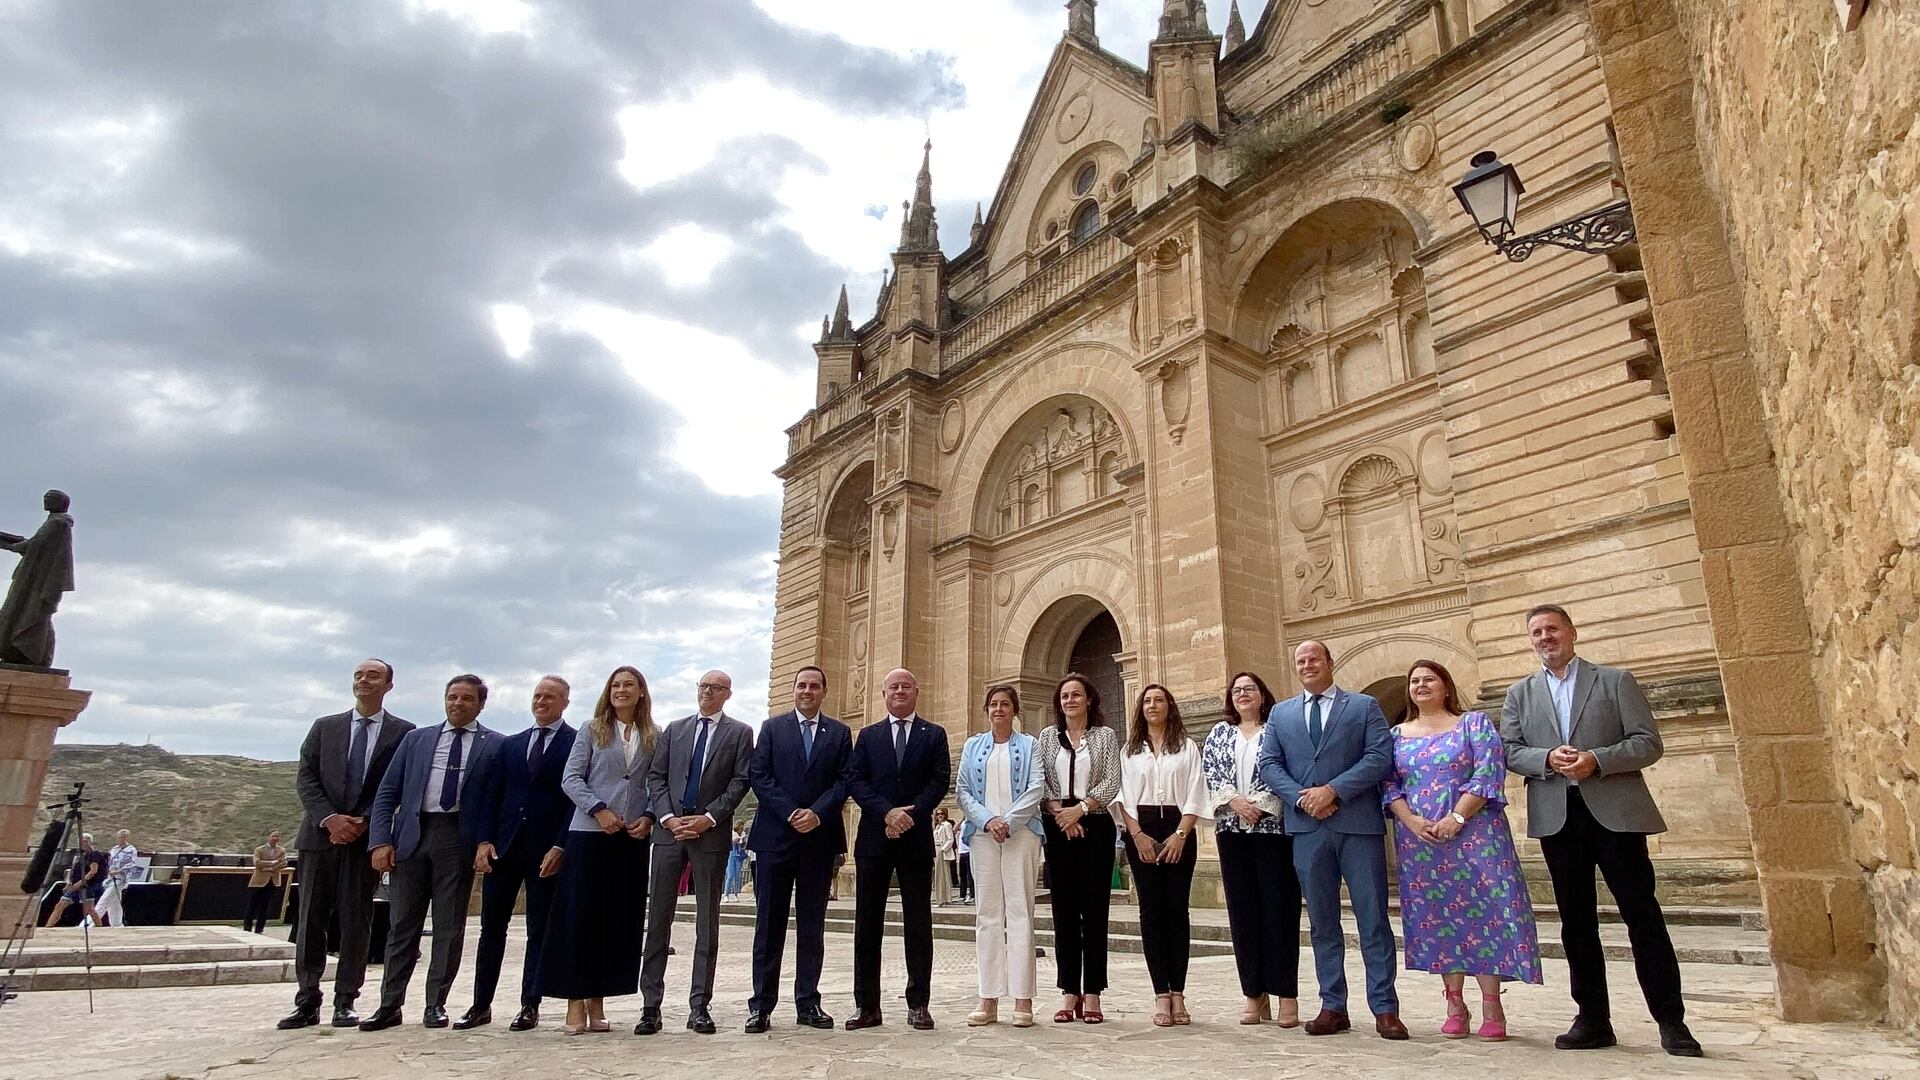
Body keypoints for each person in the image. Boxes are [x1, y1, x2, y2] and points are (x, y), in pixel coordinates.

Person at [1501, 604, 1702, 1057]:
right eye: (1537, 632)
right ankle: (1592, 1019)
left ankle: (1671, 1021)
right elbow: (1510, 751)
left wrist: (1597, 760)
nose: (1545, 637)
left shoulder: (1615, 680)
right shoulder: (1520, 693)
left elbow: (1648, 743)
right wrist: (1546, 758)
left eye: (1553, 629)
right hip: (1558, 817)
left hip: (1616, 814)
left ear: (1572, 632)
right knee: (1576, 923)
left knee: (1642, 916)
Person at [1384, 660, 1542, 1040]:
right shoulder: (1395, 736)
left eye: (1429, 679)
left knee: (1486, 913)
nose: (1421, 685)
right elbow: (1388, 785)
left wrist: (1457, 816)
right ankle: (1454, 1003)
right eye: (1415, 681)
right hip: (1422, 843)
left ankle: (1492, 1004)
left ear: (1446, 686)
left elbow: (1489, 772)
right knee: (1438, 917)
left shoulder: (1473, 724)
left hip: (1477, 837)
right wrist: (1410, 821)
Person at [1258, 641, 1404, 1040]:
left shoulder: (1363, 706)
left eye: (1314, 659)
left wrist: (1333, 791)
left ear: (1329, 663)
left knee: (1373, 918)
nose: (1307, 665)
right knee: (1322, 922)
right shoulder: (1281, 713)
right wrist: (1303, 798)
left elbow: (1379, 757)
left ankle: (1385, 1008)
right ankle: (1332, 1005)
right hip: (1308, 828)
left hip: (1357, 825)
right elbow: (1269, 763)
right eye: (1300, 661)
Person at [279, 659, 414, 1030]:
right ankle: (307, 1000)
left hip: (364, 840)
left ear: (388, 685)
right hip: (319, 838)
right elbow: (306, 777)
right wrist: (330, 819)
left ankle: (346, 1000)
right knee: (310, 919)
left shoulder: (404, 733)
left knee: (356, 920)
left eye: (373, 675)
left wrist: (365, 821)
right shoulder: (325, 727)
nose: (364, 680)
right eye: (359, 675)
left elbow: (398, 783)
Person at [361, 674, 500, 1031]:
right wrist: (380, 840)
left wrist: (485, 841)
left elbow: (496, 800)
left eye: (466, 698)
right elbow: (387, 792)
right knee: (402, 925)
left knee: (448, 928)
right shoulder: (416, 739)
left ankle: (435, 1003)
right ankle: (389, 1004)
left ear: (480, 704)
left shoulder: (495, 745)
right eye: (452, 697)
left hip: (457, 838)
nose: (457, 703)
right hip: (412, 836)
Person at [638, 670, 754, 1036]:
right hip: (669, 832)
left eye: (715, 688)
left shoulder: (740, 733)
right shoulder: (674, 730)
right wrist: (668, 818)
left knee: (707, 923)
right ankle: (650, 1007)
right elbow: (656, 777)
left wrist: (709, 818)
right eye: (703, 686)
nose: (707, 692)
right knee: (658, 920)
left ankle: (700, 1005)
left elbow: (740, 781)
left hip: (710, 834)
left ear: (727, 694)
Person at [459, 675, 577, 1032]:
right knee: (491, 928)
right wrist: (484, 841)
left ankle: (530, 1004)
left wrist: (560, 844)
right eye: (537, 695)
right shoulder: (511, 745)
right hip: (504, 848)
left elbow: (574, 800)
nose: (541, 701)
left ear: (565, 702)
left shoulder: (576, 743)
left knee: (538, 929)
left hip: (545, 851)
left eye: (550, 696)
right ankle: (481, 1004)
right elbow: (492, 795)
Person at [543, 666, 656, 1034]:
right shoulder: (591, 730)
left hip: (630, 838)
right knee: (581, 918)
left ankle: (598, 999)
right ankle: (575, 1000)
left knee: (615, 921)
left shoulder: (653, 735)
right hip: (590, 833)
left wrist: (649, 817)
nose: (621, 690)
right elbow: (571, 778)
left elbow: (656, 783)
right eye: (616, 685)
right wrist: (598, 809)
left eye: (629, 685)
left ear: (641, 691)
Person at [745, 665, 851, 1034]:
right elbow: (759, 776)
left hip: (818, 840)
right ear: (794, 690)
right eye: (802, 685)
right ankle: (761, 1006)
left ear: (824, 691)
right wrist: (791, 812)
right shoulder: (772, 728)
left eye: (814, 686)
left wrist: (816, 813)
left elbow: (844, 781)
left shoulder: (839, 733)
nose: (807, 691)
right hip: (775, 838)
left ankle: (808, 1002)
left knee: (812, 926)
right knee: (768, 926)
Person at [843, 668, 950, 1031]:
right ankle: (867, 1006)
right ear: (884, 694)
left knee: (918, 923)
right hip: (874, 839)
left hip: (915, 839)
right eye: (893, 687)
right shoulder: (868, 735)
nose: (900, 691)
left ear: (916, 691)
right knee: (867, 924)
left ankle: (919, 1004)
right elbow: (856, 780)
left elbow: (939, 780)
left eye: (906, 686)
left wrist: (910, 815)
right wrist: (887, 813)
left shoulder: (934, 734)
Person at [1204, 672, 1301, 1027]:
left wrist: (1259, 804)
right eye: (1237, 690)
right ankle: (1253, 994)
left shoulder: (1278, 729)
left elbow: (1288, 769)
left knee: (1280, 910)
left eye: (1250, 689)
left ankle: (1286, 994)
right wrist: (1235, 801)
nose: (1243, 694)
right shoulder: (1219, 732)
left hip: (1273, 830)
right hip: (1232, 830)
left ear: (1263, 695)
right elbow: (1211, 772)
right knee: (1243, 913)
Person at [1114, 684, 1208, 1027]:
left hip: (1178, 826)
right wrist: (1137, 835)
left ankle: (1179, 992)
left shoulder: (1187, 746)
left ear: (1170, 706)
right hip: (1141, 826)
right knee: (1151, 911)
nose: (1153, 705)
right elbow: (1123, 796)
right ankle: (1161, 995)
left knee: (1177, 911)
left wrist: (1181, 834)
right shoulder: (1129, 751)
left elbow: (1196, 790)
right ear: (1140, 708)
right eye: (1147, 701)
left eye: (1159, 700)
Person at [954, 685, 1043, 1027]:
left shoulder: (1030, 745)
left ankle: (1023, 998)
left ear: (1015, 710)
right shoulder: (972, 746)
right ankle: (987, 997)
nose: (999, 709)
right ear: (986, 710)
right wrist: (988, 820)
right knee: (987, 915)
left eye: (1005, 704)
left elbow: (1036, 786)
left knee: (1021, 913)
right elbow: (963, 790)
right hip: (983, 835)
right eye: (993, 704)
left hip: (1021, 834)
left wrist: (1008, 821)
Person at [1035, 672, 1122, 1025]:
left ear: (1089, 699)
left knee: (1095, 910)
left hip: (1095, 823)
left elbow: (1112, 781)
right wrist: (1061, 813)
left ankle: (1094, 991)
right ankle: (1069, 990)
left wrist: (1081, 809)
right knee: (1064, 911)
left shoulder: (1105, 736)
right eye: (1064, 696)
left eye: (1076, 695)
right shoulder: (1047, 737)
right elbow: (1040, 779)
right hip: (1058, 826)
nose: (1070, 700)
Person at [42, 831, 106, 927]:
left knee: (89, 909)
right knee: (60, 905)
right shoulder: (79, 855)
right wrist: (69, 883)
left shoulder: (93, 854)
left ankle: (99, 927)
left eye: (85, 841)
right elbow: (71, 870)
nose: (83, 843)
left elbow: (93, 871)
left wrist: (79, 883)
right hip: (75, 886)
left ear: (90, 842)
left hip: (86, 886)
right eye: (81, 841)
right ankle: (48, 926)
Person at [245, 830, 288, 933]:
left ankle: (259, 929)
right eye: (273, 836)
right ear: (268, 837)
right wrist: (273, 862)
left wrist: (268, 868)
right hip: (258, 882)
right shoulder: (259, 850)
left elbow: (284, 863)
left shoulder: (282, 850)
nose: (275, 838)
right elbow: (257, 863)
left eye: (277, 836)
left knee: (265, 906)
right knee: (251, 905)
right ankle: (247, 928)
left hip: (272, 881)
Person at [102, 829, 138, 928]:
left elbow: (131, 864)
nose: (121, 839)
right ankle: (117, 924)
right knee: (114, 903)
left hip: (120, 879)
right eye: (120, 837)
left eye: (123, 837)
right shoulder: (114, 849)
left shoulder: (131, 849)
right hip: (110, 878)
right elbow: (108, 862)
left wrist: (118, 871)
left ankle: (88, 923)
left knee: (104, 901)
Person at [932, 809, 957, 906]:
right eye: (938, 814)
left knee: (941, 875)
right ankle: (944, 898)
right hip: (936, 849)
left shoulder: (947, 825)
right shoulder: (937, 826)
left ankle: (942, 899)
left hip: (941, 850)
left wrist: (943, 849)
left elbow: (950, 839)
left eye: (942, 814)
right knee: (940, 875)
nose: (940, 815)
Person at [725, 826, 748, 900]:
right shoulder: (732, 833)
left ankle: (735, 894)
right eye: (740, 827)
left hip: (739, 856)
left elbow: (744, 846)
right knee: (730, 876)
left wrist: (743, 841)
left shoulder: (743, 834)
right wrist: (734, 841)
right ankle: (726, 894)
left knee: (737, 876)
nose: (741, 829)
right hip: (731, 855)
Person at [956, 829, 974, 904]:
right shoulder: (962, 825)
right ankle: (962, 894)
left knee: (970, 875)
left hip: (968, 851)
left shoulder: (969, 824)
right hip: (962, 852)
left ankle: (972, 895)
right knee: (962, 875)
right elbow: (954, 829)